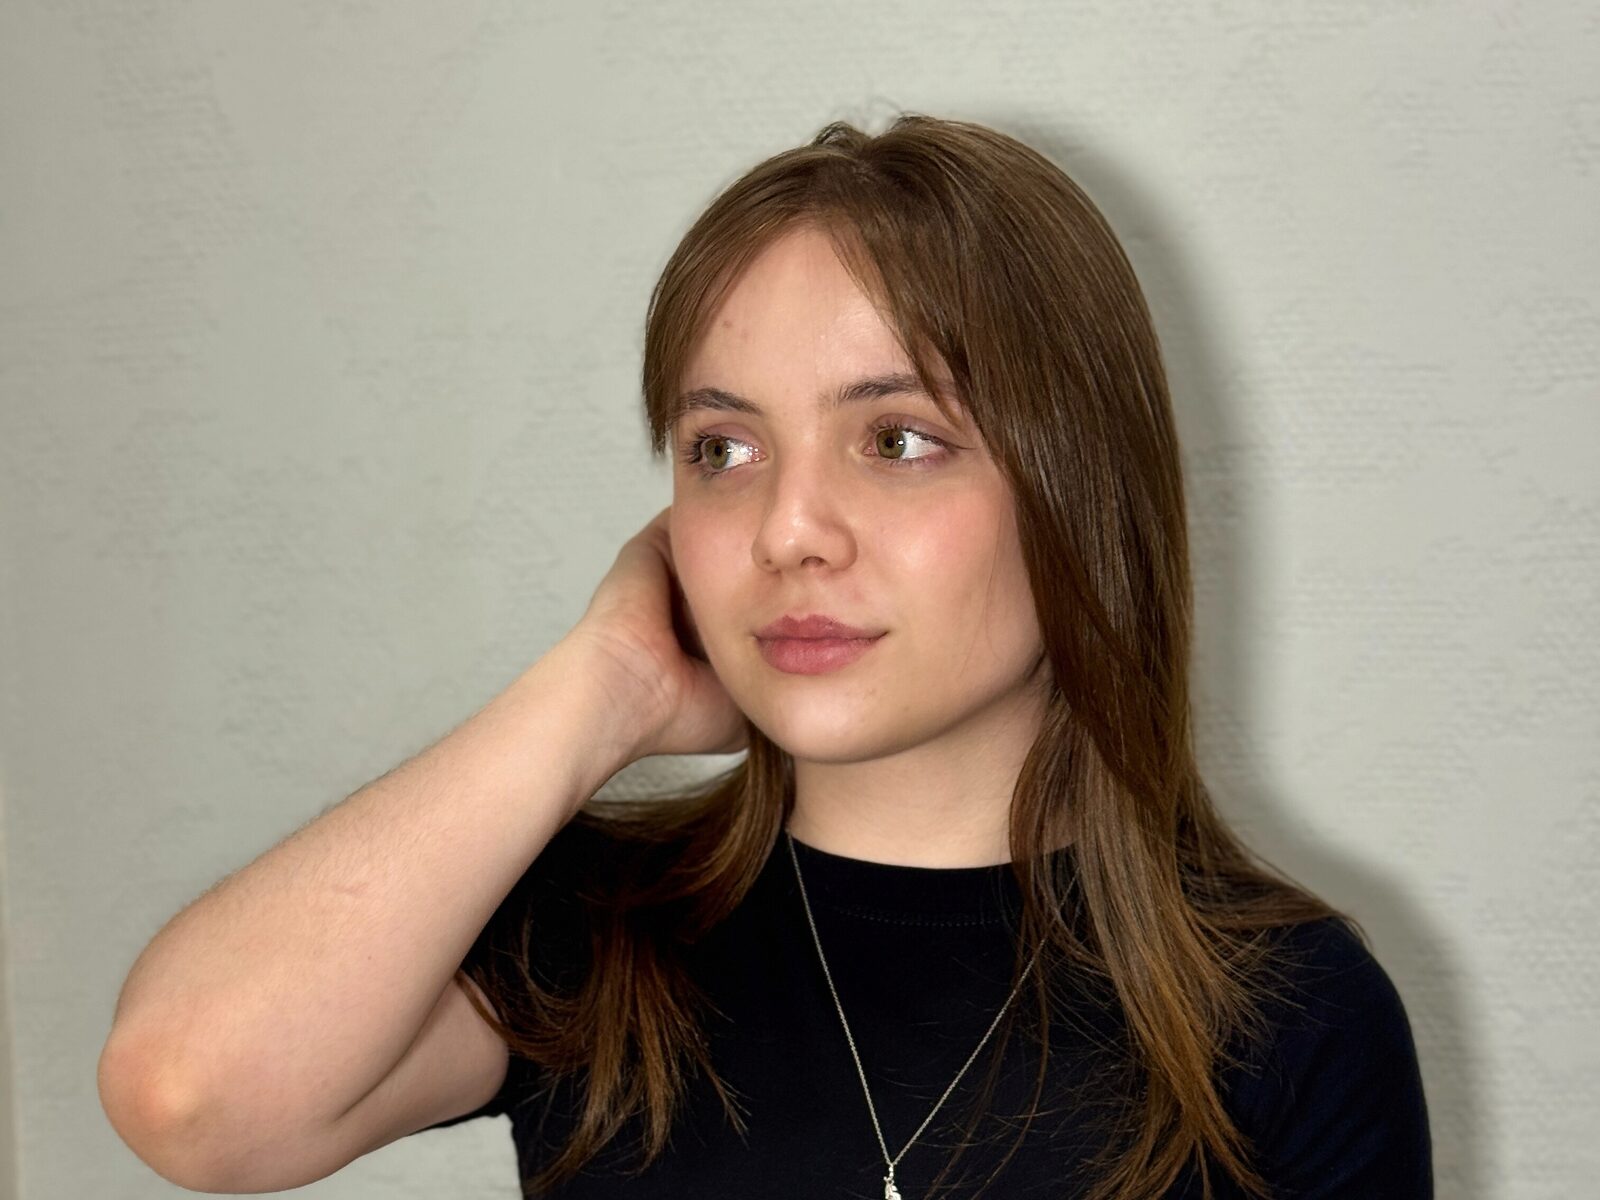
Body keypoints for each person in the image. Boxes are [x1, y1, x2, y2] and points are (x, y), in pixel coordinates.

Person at [98, 114, 1432, 1198]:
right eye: (722, 451)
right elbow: (187, 1095)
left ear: (1080, 491)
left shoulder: (1287, 1014)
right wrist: (603, 687)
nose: (788, 530)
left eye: (896, 439)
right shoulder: (598, 937)